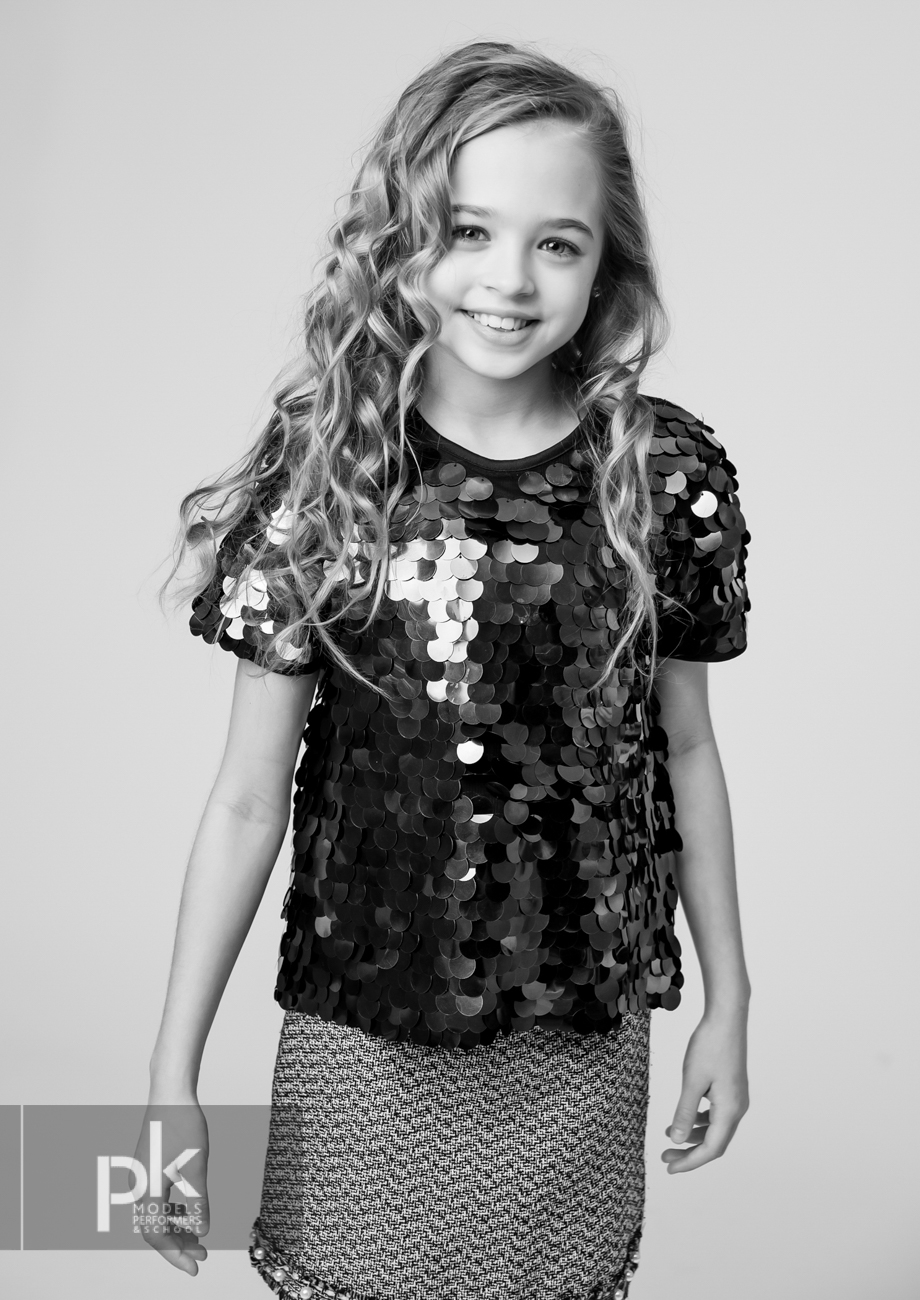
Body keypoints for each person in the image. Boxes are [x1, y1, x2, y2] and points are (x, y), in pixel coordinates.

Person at [146, 39, 752, 1300]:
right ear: (403, 237)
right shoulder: (330, 479)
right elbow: (249, 799)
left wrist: (729, 1001)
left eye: (556, 242)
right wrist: (169, 1079)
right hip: (364, 1018)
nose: (508, 280)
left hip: (577, 1031)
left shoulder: (660, 474)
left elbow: (685, 749)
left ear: (606, 262)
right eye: (468, 230)